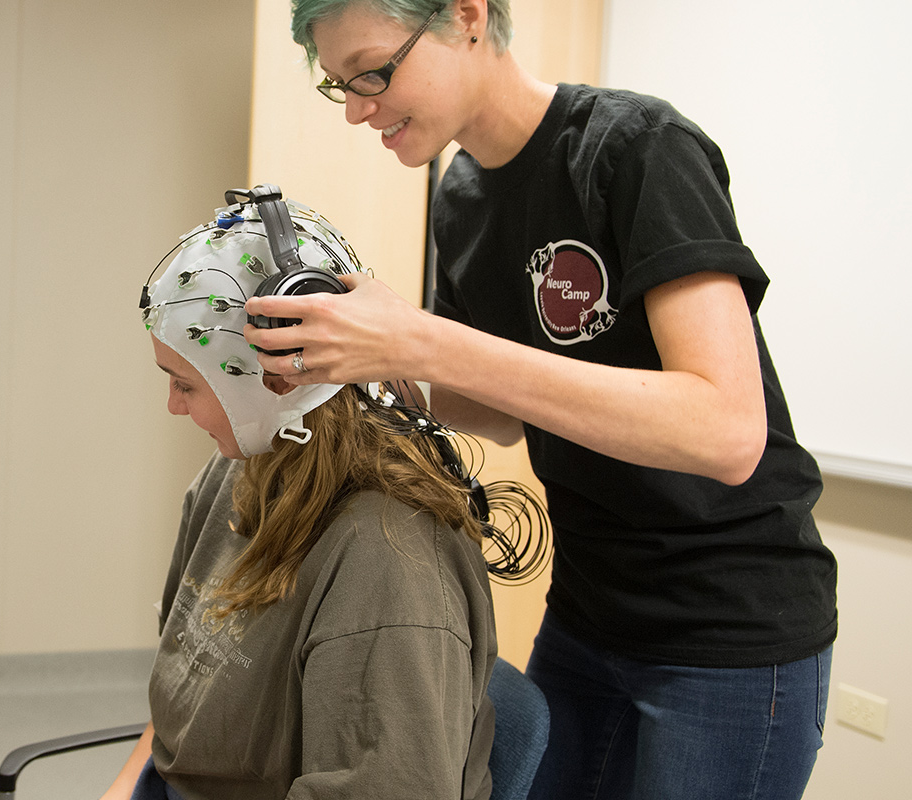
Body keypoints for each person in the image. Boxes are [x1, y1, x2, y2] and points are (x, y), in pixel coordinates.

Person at [246, 2, 840, 799]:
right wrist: (356, 363)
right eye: (340, 86)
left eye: (372, 73)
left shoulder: (636, 149)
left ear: (466, 16)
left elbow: (727, 431)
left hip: (729, 628)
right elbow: (494, 409)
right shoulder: (461, 196)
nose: (357, 110)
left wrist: (419, 340)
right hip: (589, 609)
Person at [105, 196, 545, 800]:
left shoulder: (390, 564)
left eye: (185, 385)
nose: (174, 407)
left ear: (273, 382)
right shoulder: (240, 467)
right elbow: (178, 695)